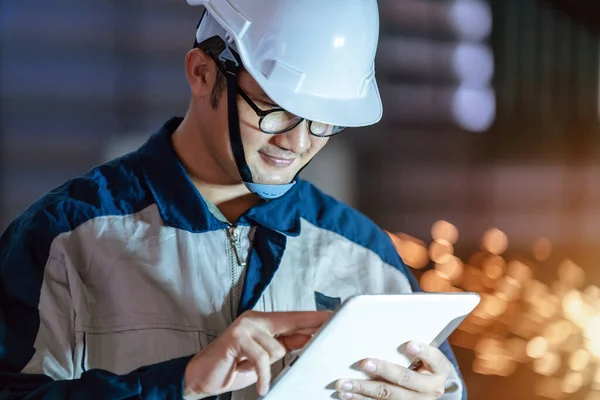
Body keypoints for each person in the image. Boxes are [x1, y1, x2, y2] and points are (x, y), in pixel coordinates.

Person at [0, 1, 467, 399]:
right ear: (203, 73)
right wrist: (180, 384)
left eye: (324, 120)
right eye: (277, 109)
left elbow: (439, 384)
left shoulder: (367, 258)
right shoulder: (62, 242)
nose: (299, 142)